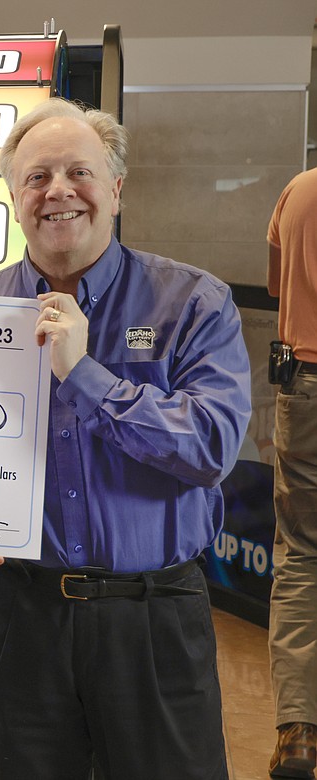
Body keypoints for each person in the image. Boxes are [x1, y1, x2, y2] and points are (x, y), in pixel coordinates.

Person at [0, 98, 252, 779]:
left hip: (153, 620)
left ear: (114, 188)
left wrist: (84, 373)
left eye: (78, 171)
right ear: (13, 198)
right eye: (36, 176)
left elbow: (208, 447)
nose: (57, 191)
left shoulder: (193, 304)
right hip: (23, 616)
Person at [266, 166, 317, 777]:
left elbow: (279, 287)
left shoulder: (299, 189)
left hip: (305, 389)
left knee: (302, 558)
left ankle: (299, 735)